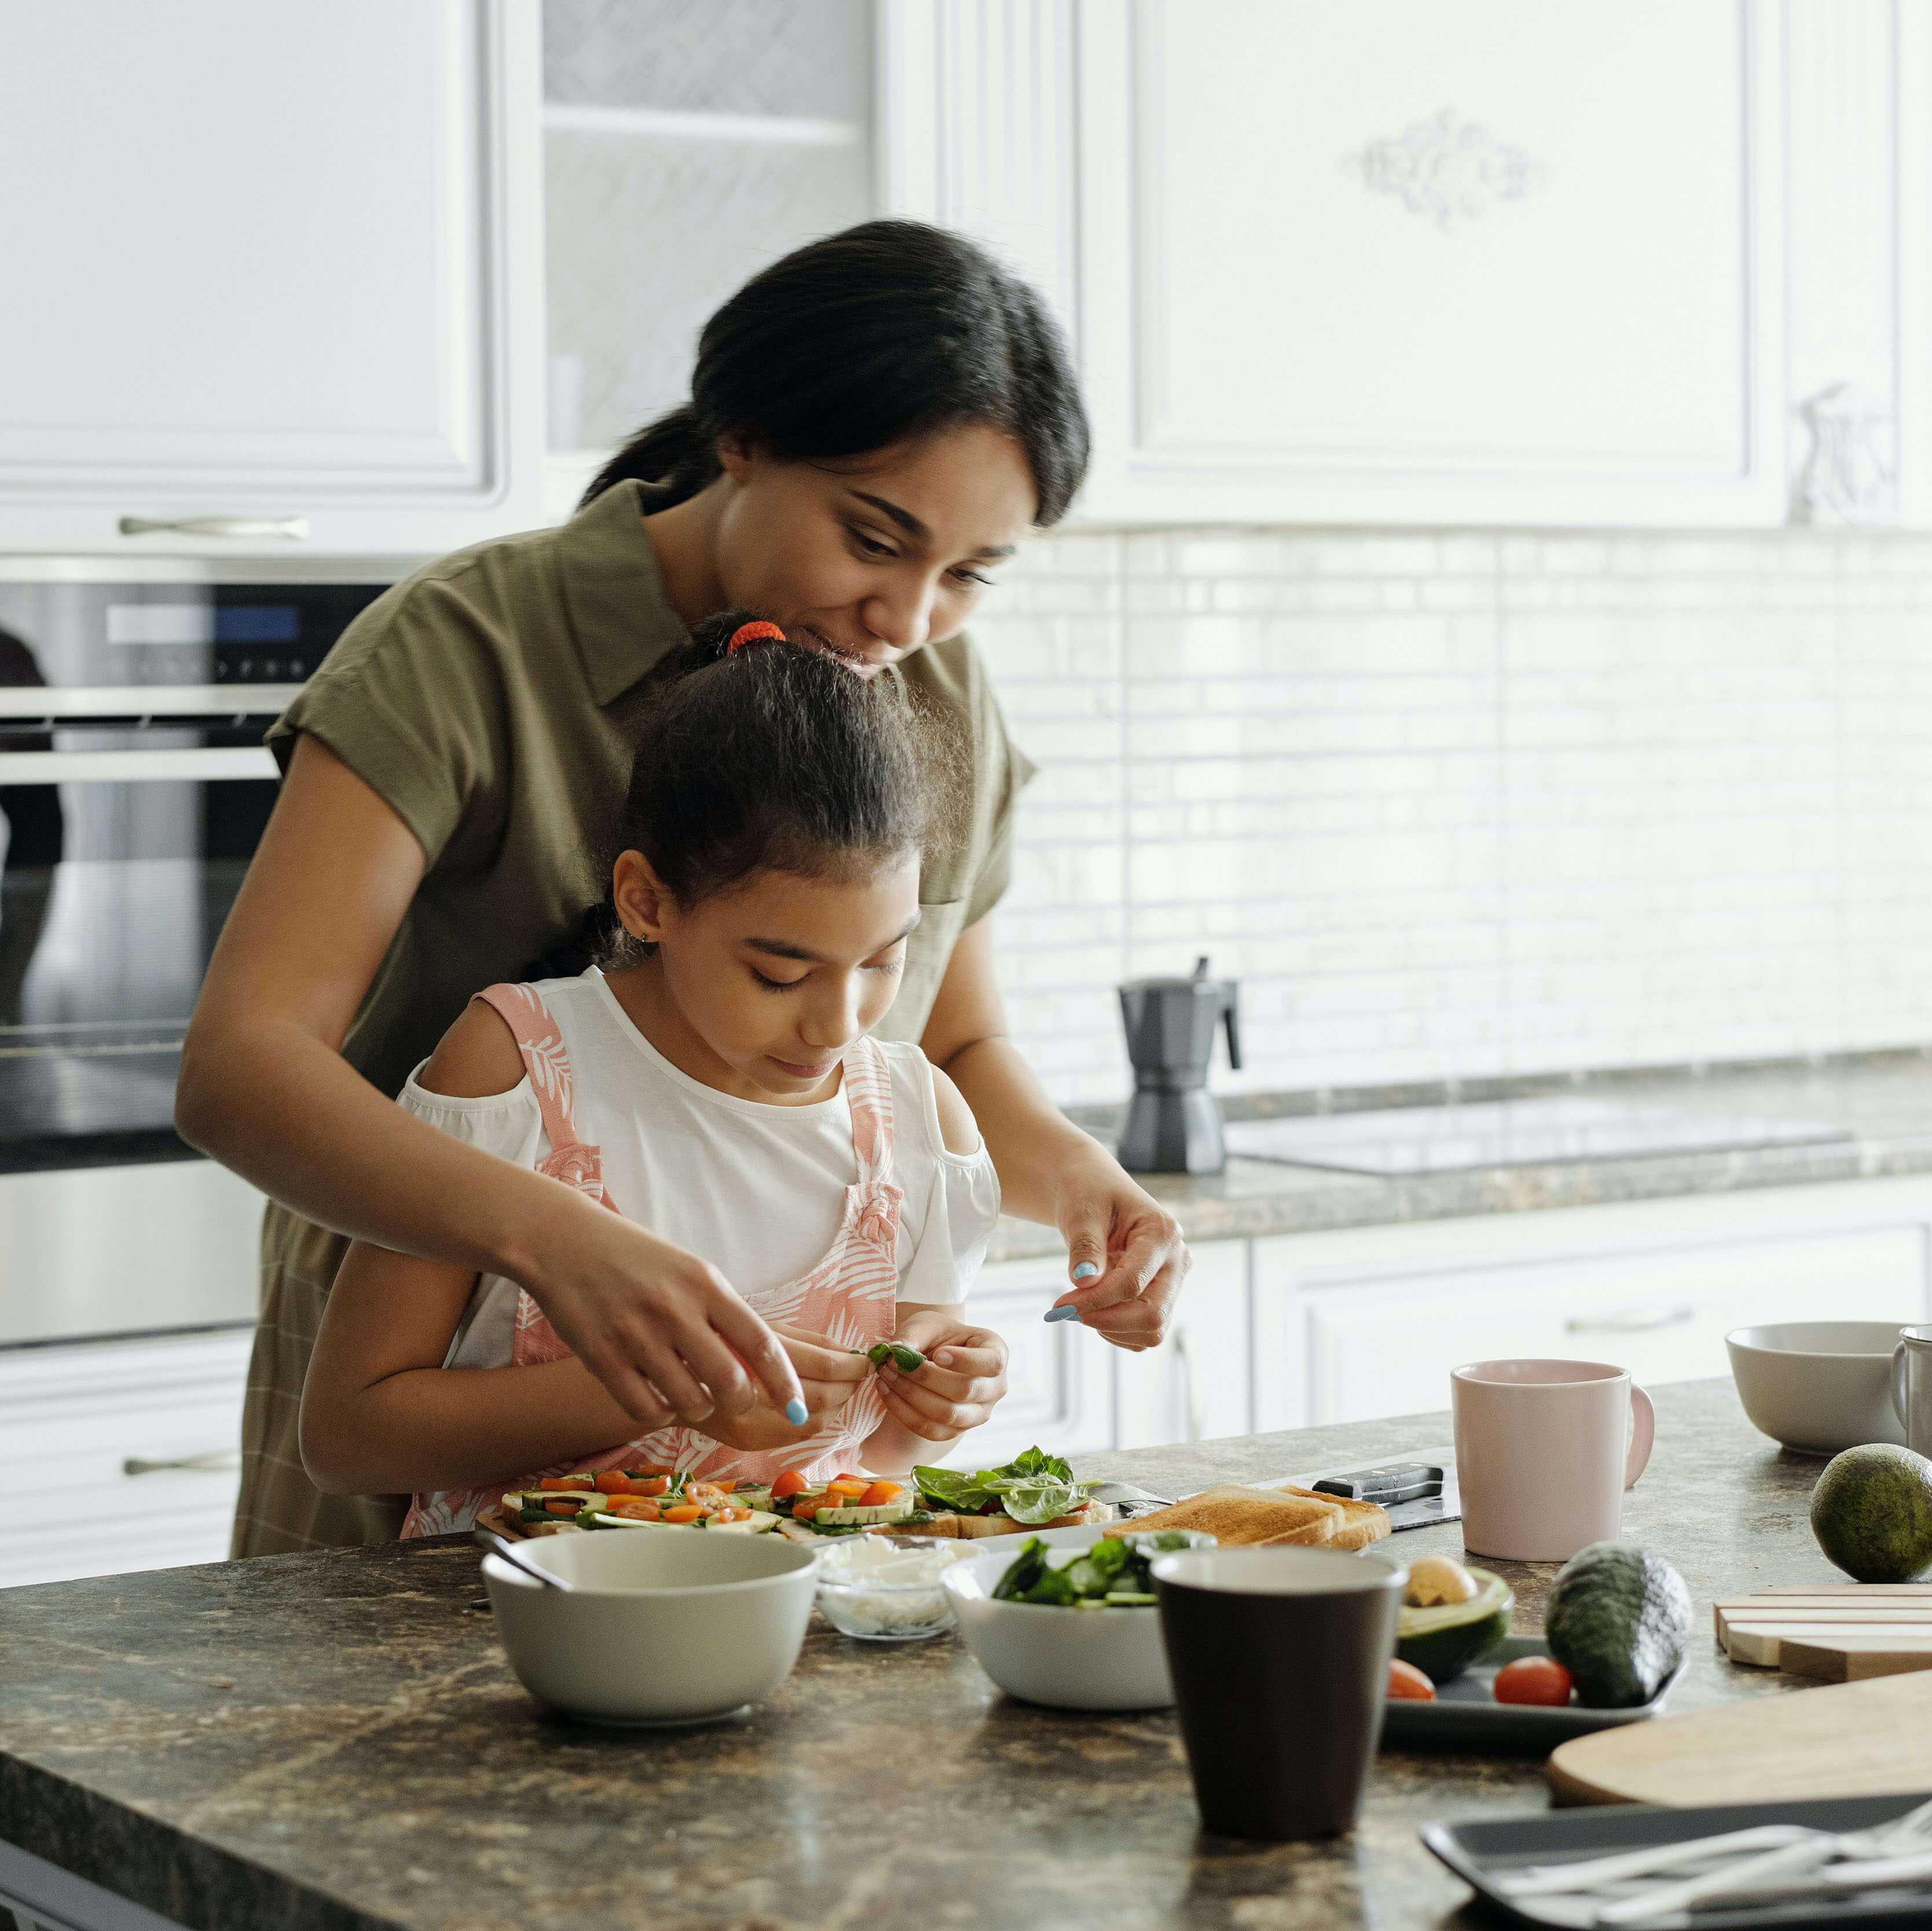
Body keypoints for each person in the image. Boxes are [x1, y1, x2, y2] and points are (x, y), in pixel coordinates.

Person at [177, 219, 1191, 1559]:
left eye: (967, 576)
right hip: (431, 1372)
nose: (909, 616)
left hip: (756, 1497)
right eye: (874, 538)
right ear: (744, 439)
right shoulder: (468, 645)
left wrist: (1076, 1182)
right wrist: (559, 1242)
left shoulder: (931, 687)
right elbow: (241, 1067)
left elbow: (947, 1041)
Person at [300, 614, 1007, 1528]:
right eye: (779, 973)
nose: (839, 1022)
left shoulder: (918, 1122)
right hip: (508, 1634)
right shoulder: (517, 1069)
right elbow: (347, 1438)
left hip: (798, 1641)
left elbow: (879, 1462)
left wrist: (937, 1406)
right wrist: (667, 1389)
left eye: (882, 960)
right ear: (646, 900)